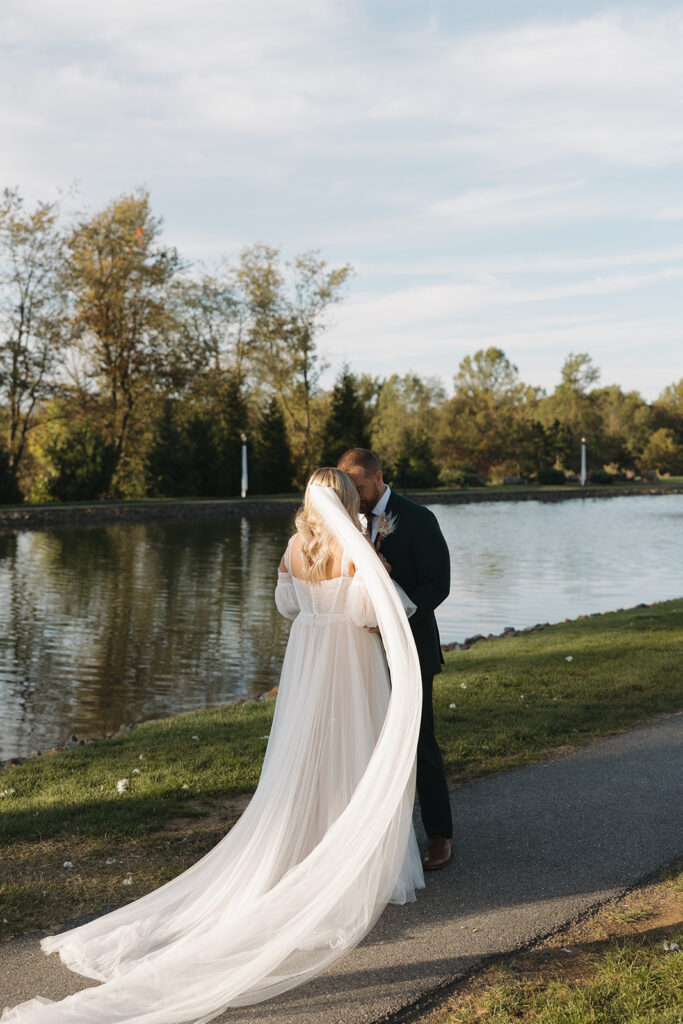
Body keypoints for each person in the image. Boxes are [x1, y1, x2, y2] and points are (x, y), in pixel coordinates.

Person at [2, 468, 424, 1024]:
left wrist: (319, 600)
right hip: (347, 664)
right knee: (354, 746)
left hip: (307, 663)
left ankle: (304, 847)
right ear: (347, 499)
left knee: (304, 759)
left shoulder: (296, 546)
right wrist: (379, 571)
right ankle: (349, 858)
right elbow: (372, 614)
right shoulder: (356, 550)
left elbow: (286, 607)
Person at [337, 448, 453, 871]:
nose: (357, 497)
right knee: (364, 743)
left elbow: (437, 585)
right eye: (350, 490)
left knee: (420, 743)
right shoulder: (345, 523)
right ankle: (378, 841)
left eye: (361, 488)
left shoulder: (418, 518)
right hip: (359, 654)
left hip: (410, 648)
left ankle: (440, 835)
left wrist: (393, 612)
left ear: (379, 477)